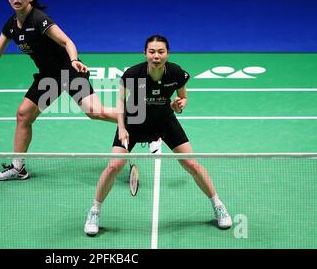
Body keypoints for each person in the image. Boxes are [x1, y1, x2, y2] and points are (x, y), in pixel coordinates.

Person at [0, 0, 117, 180]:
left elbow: (66, 41)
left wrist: (74, 60)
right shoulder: (11, 25)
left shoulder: (39, 19)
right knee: (23, 115)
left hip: (69, 70)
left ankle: (144, 124)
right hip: (48, 76)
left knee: (95, 112)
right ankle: (18, 168)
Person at [84, 35, 232, 236]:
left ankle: (218, 205)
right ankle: (94, 211)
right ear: (145, 53)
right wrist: (122, 128)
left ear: (167, 54)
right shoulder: (132, 74)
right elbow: (120, 102)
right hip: (133, 122)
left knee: (191, 164)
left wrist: (179, 105)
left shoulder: (176, 73)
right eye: (152, 52)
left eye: (161, 52)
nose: (156, 56)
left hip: (164, 121)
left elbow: (182, 97)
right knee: (114, 165)